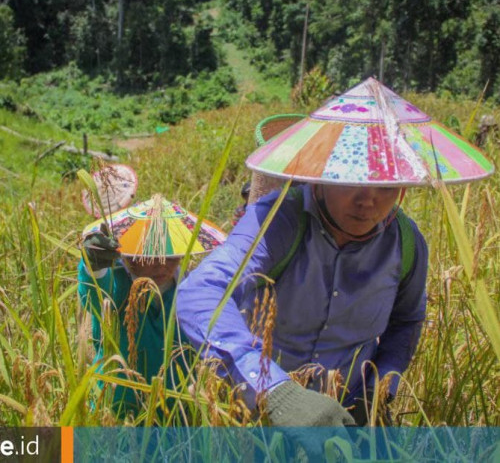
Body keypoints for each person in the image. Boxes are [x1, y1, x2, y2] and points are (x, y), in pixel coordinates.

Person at [176, 183, 427, 428]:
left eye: (385, 188)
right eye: (351, 184)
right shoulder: (277, 218)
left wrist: (376, 391)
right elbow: (203, 290)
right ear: (322, 178)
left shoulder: (404, 242)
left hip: (348, 418)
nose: (367, 201)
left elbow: (406, 320)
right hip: (259, 418)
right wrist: (274, 391)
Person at [78, 195, 226, 420]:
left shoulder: (188, 289)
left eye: (171, 256)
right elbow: (95, 290)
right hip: (118, 411)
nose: (161, 265)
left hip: (174, 413)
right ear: (129, 254)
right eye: (151, 255)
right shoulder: (117, 282)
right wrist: (93, 263)